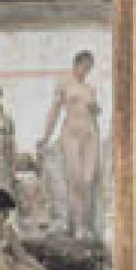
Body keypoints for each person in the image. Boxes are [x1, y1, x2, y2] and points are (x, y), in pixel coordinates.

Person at [39, 49, 101, 239]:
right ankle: (78, 225)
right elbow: (54, 111)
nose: (86, 70)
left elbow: (94, 116)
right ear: (76, 65)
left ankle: (87, 224)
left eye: (89, 67)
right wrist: (46, 136)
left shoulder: (90, 89)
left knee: (88, 180)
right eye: (84, 66)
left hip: (90, 136)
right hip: (71, 135)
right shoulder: (64, 85)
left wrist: (96, 114)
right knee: (75, 180)